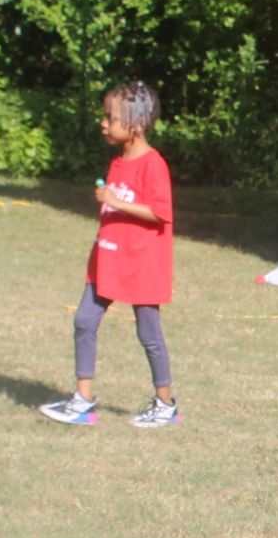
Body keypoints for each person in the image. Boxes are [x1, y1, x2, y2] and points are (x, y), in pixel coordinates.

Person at [42, 83, 178, 427]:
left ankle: (165, 405)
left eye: (111, 118)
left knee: (149, 334)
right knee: (84, 321)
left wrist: (116, 202)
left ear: (137, 124)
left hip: (141, 265)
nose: (104, 124)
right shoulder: (117, 162)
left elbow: (160, 213)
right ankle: (83, 400)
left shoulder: (154, 164)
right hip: (108, 260)